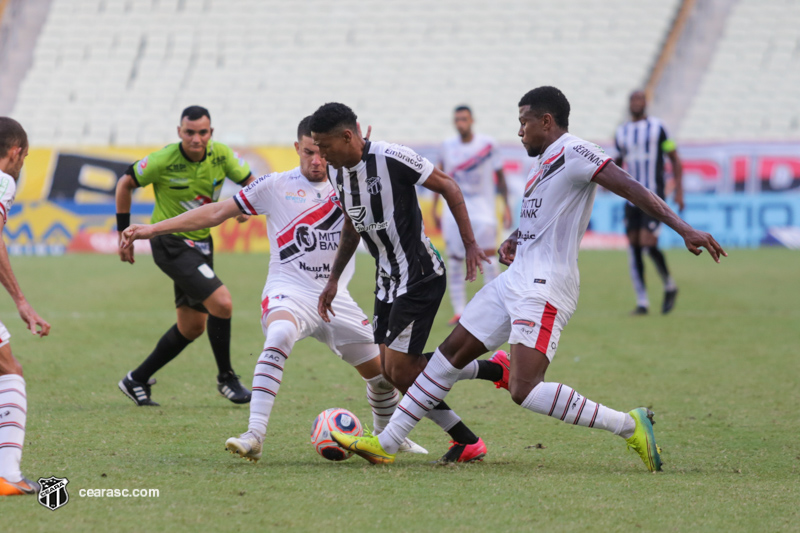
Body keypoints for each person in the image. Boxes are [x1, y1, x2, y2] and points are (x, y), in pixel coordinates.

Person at [332, 87, 726, 471]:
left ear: (547, 121)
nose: (520, 131)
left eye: (524, 122)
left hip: (546, 286)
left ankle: (628, 424)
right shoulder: (542, 163)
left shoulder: (575, 151)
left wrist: (682, 227)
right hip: (514, 279)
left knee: (525, 390)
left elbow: (632, 187)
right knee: (447, 357)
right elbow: (545, 218)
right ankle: (384, 444)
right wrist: (516, 237)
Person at [120, 117, 426, 462]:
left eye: (322, 153)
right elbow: (217, 211)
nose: (316, 160)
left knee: (385, 376)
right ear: (297, 148)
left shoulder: (351, 184)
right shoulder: (275, 185)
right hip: (289, 292)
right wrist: (154, 229)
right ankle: (254, 435)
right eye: (309, 152)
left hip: (335, 298)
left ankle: (387, 438)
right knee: (279, 334)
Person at [312, 102, 509, 463]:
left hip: (419, 275)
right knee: (391, 371)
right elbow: (353, 225)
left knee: (401, 370)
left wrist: (469, 243)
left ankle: (466, 439)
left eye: (324, 146)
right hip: (386, 279)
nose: (320, 155)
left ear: (347, 136)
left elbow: (448, 185)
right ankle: (493, 370)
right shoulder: (337, 174)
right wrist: (333, 279)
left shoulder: (391, 157)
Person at [116, 106, 254, 406]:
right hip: (170, 243)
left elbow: (251, 182)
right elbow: (125, 183)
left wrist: (245, 206)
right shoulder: (163, 159)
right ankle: (226, 378)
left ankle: (136, 379)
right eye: (189, 132)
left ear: (211, 133)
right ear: (179, 132)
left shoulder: (222, 155)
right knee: (223, 302)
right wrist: (123, 233)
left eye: (202, 132)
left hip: (202, 244)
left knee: (192, 326)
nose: (196, 138)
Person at [0, 117, 51, 495]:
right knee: (8, 371)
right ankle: (6, 475)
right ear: (15, 151)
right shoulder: (3, 181)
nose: (23, 165)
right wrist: (20, 299)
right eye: (26, 156)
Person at [434, 105, 512, 325]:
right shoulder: (447, 146)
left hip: (484, 212)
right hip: (453, 213)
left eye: (464, 119)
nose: (460, 123)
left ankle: (493, 309)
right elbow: (439, 178)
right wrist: (435, 208)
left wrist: (505, 205)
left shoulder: (487, 145)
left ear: (472, 120)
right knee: (456, 262)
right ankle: (460, 312)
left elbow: (501, 177)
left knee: (489, 259)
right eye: (457, 119)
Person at [614, 90, 684, 315]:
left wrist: (679, 190)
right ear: (629, 104)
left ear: (646, 103)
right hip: (631, 198)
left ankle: (669, 285)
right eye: (633, 99)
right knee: (634, 246)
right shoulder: (622, 132)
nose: (636, 103)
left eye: (640, 99)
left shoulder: (658, 128)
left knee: (648, 242)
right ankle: (642, 301)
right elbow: (616, 161)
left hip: (654, 197)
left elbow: (673, 157)